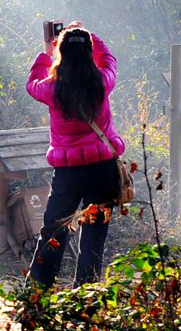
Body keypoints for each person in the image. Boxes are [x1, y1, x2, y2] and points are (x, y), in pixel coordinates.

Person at [25, 20, 125, 289]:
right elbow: (110, 60)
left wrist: (47, 50)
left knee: (54, 231)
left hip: (69, 174)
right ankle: (86, 296)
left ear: (62, 54)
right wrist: (89, 34)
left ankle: (38, 292)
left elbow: (32, 83)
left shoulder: (52, 88)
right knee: (94, 234)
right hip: (103, 169)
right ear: (89, 53)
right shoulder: (102, 82)